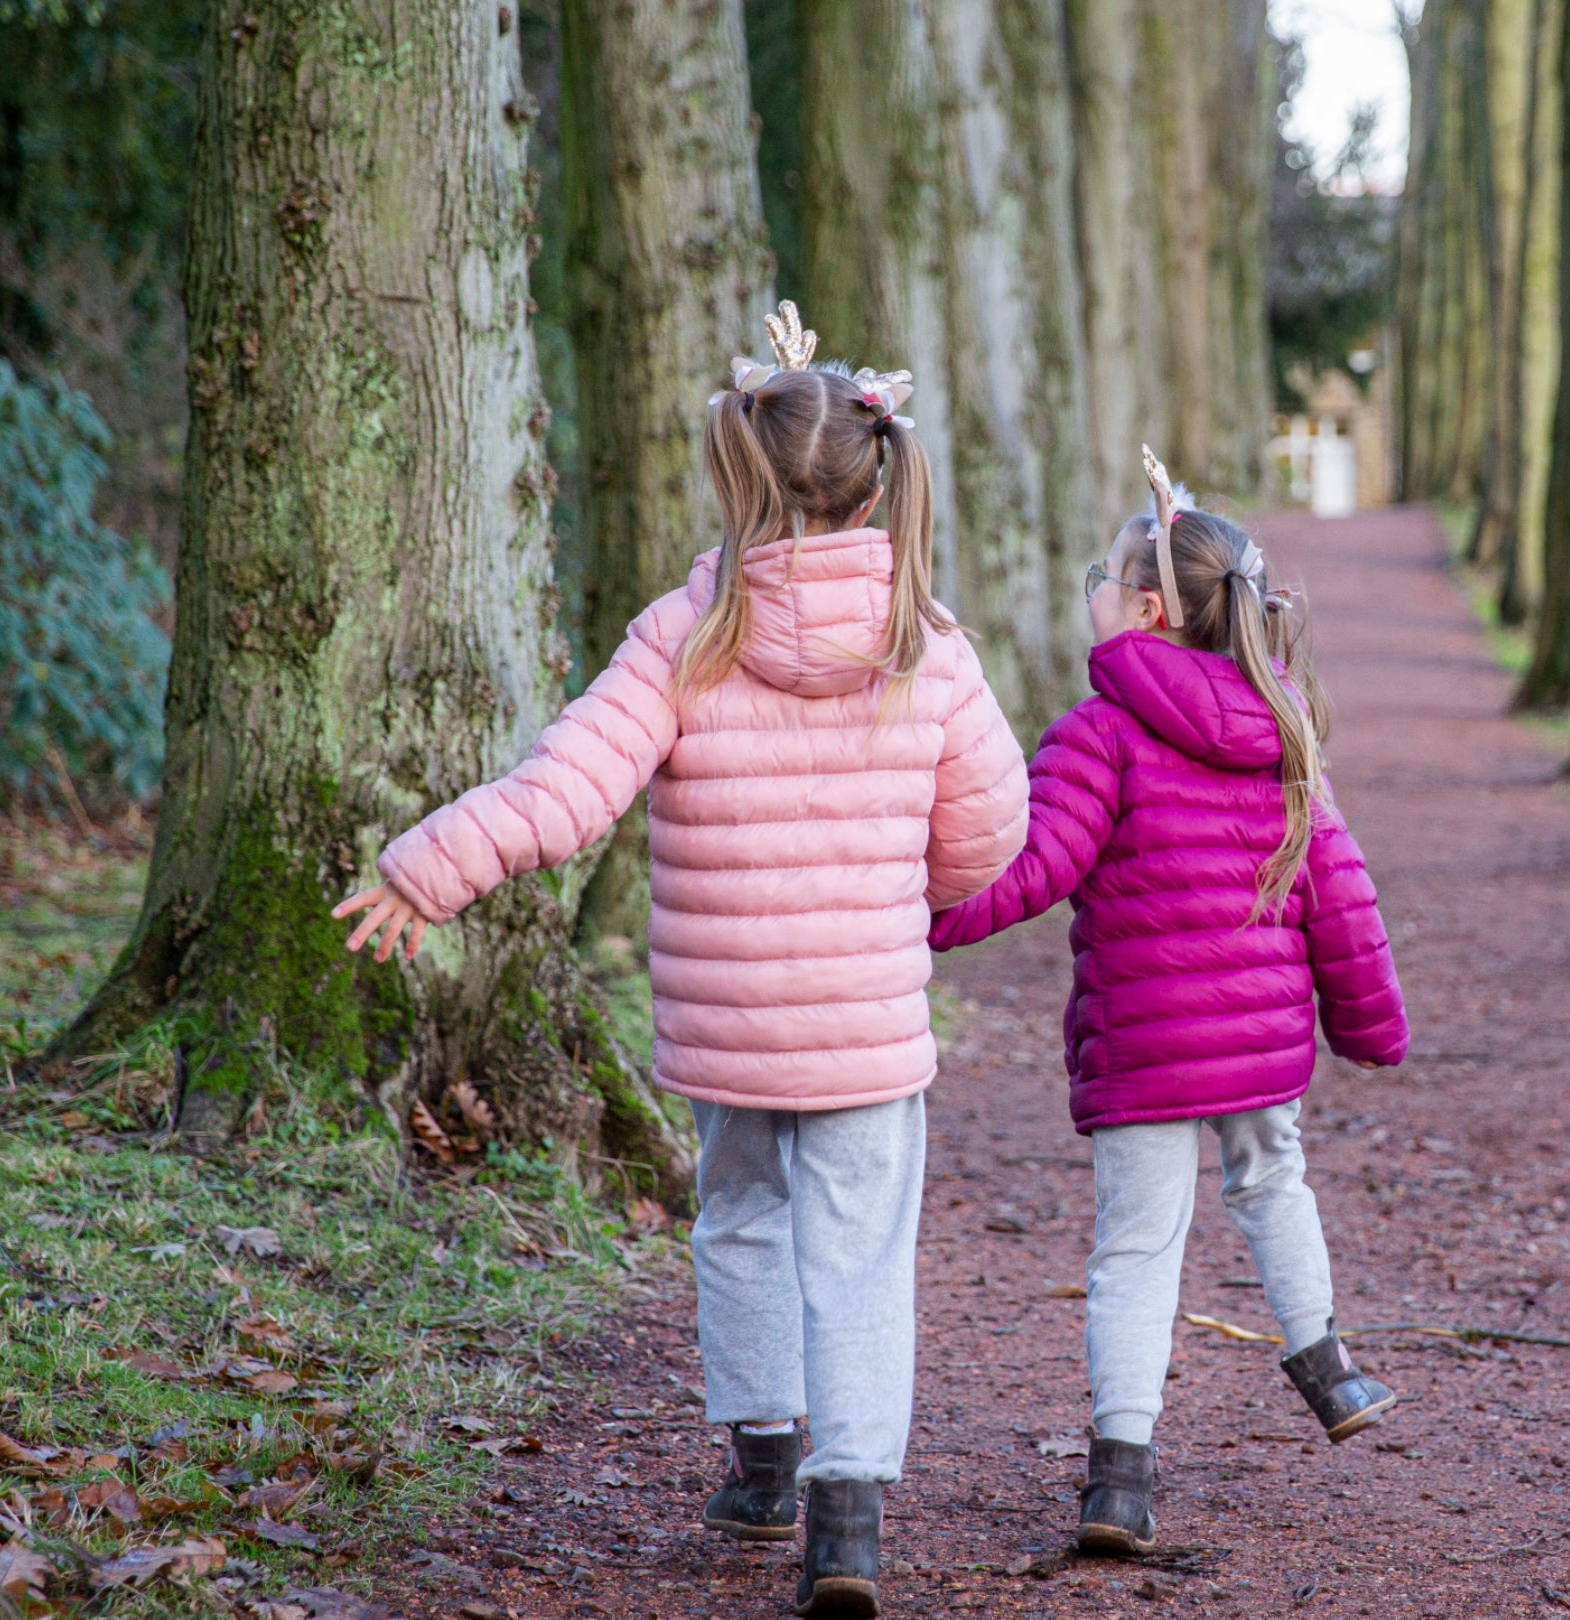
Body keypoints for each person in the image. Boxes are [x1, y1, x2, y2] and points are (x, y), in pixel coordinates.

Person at [332, 304, 1027, 1619]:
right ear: (879, 476)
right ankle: (850, 1521)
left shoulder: (689, 633)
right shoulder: (926, 645)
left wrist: (423, 865)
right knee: (863, 1255)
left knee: (745, 1220)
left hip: (730, 1025)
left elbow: (566, 792)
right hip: (865, 1023)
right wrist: (903, 896)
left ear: (742, 472)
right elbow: (991, 834)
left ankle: (762, 1462)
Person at [928, 450, 1408, 1557]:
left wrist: (922, 914)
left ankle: (1120, 1482)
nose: (1091, 587)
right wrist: (1371, 1024)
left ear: (1143, 608)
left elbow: (1035, 865)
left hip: (1148, 1046)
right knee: (1273, 1178)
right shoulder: (1280, 731)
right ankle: (1328, 1368)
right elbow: (1337, 888)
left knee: (1137, 1249)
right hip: (1261, 1042)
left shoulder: (1098, 730)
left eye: (1104, 573)